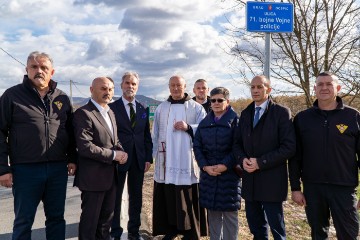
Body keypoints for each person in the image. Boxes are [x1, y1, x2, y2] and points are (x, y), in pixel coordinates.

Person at [0, 51, 77, 240]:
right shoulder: (12, 95)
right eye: (34, 67)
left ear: (52, 72)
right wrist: (3, 168)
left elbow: (71, 131)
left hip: (57, 169)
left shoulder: (62, 98)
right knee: (24, 221)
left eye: (44, 67)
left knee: (56, 219)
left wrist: (73, 159)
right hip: (25, 170)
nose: (39, 71)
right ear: (27, 70)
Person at [288, 71, 360, 239]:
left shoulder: (353, 116)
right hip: (313, 188)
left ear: (338, 88)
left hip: (344, 188)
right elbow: (295, 157)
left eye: (329, 84)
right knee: (318, 234)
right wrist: (296, 188)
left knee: (349, 234)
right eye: (320, 84)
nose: (324, 88)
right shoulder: (302, 119)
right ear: (315, 88)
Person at [233, 75, 296, 240]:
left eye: (259, 87)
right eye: (252, 87)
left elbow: (289, 147)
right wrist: (242, 159)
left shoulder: (281, 113)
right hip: (250, 180)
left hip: (272, 180)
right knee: (256, 227)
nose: (255, 90)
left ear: (269, 89)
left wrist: (261, 162)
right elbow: (236, 144)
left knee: (277, 229)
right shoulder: (246, 113)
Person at [152, 75, 208, 240]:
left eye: (179, 85)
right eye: (172, 85)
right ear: (169, 87)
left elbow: (204, 129)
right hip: (166, 158)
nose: (176, 88)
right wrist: (153, 155)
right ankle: (171, 229)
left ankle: (190, 232)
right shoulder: (162, 108)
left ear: (185, 87)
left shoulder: (196, 107)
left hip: (186, 158)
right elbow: (155, 134)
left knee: (188, 196)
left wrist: (188, 127)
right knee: (168, 194)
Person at [73, 77, 128, 240]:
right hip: (93, 179)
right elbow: (85, 147)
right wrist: (113, 155)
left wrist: (121, 152)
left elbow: (114, 140)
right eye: (103, 88)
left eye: (110, 89)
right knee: (90, 224)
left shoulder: (110, 112)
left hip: (111, 177)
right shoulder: (83, 113)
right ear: (91, 89)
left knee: (105, 223)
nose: (108, 92)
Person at [109, 72, 153, 240]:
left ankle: (134, 232)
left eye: (133, 84)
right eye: (127, 83)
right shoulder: (112, 108)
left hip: (138, 159)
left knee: (136, 197)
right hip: (119, 158)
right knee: (115, 197)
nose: (130, 86)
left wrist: (148, 157)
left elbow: (145, 136)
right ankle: (115, 233)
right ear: (121, 85)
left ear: (137, 86)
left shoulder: (142, 108)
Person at [193, 87, 241, 240]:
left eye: (220, 100)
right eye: (213, 100)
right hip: (209, 175)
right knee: (213, 216)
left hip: (229, 176)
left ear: (227, 101)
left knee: (229, 216)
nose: (216, 103)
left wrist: (225, 165)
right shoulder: (204, 122)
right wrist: (205, 166)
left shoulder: (235, 121)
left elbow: (238, 147)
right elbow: (197, 146)